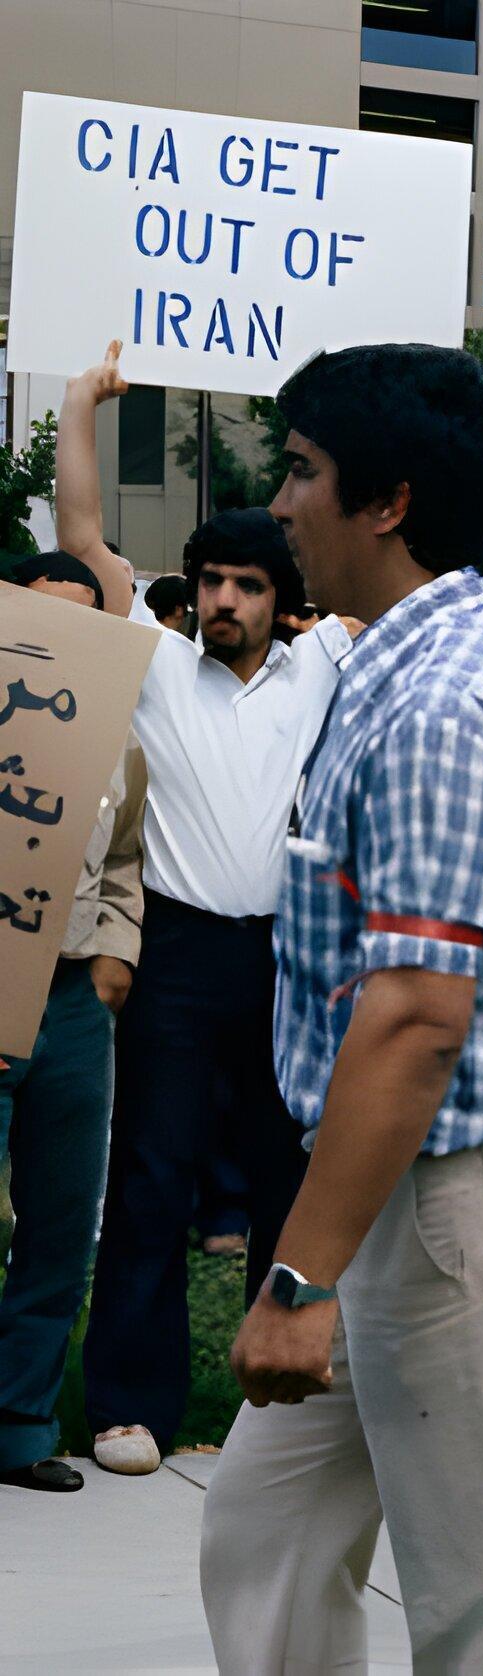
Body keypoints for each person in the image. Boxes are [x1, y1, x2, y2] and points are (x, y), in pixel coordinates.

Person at [197, 342, 483, 1671]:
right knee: (265, 1540)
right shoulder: (432, 655)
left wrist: (301, 1279)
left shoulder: (441, 700)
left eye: (306, 471)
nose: (282, 503)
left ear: (388, 502)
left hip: (454, 1213)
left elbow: (418, 1020)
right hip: (404, 1194)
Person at [54, 343, 342, 1479]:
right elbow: (83, 538)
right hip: (171, 952)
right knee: (154, 1177)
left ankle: (278, 1403)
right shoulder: (158, 664)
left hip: (283, 955)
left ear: (284, 597)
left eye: (250, 584)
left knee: (287, 1173)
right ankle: (131, 1401)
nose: (226, 599)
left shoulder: (326, 667)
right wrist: (81, 403)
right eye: (212, 579)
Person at [0, 553, 145, 1495]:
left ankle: (20, 1425)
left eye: (84, 623)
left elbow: (128, 856)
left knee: (58, 1220)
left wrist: (114, 955)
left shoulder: (118, 740)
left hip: (71, 1003)